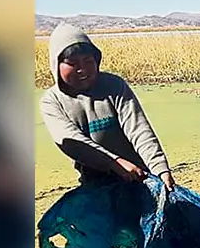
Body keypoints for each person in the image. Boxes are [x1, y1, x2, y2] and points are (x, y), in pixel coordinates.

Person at [39, 22, 176, 191]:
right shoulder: (52, 101)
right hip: (95, 184)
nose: (82, 69)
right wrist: (114, 163)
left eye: (88, 61)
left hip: (140, 176)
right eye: (72, 63)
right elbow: (72, 142)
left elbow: (138, 129)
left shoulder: (114, 85)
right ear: (56, 65)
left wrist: (160, 169)